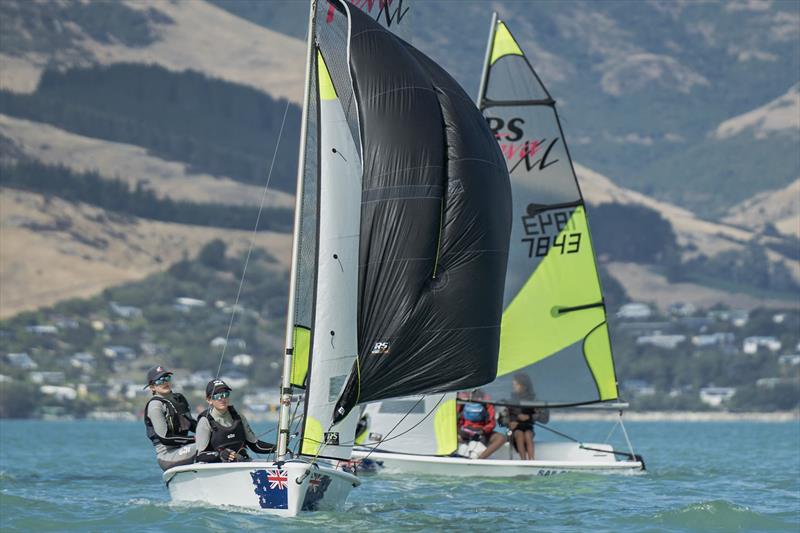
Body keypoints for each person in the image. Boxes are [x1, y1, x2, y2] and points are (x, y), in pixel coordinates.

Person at [194, 379, 275, 463]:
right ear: (209, 400)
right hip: (218, 468)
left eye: (225, 394)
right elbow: (200, 455)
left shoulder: (238, 416)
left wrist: (278, 448)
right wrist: (220, 454)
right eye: (218, 396)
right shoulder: (205, 421)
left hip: (242, 463)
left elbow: (255, 445)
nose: (223, 398)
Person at [143, 365, 197, 471]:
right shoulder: (155, 406)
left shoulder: (179, 399)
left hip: (183, 448)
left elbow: (192, 425)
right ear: (152, 387)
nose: (164, 382)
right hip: (168, 456)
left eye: (166, 378)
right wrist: (195, 439)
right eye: (159, 381)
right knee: (203, 445)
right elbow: (165, 438)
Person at [506, 373, 549, 460]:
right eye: (513, 385)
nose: (514, 387)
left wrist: (529, 417)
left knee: (528, 435)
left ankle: (531, 459)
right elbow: (502, 418)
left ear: (524, 386)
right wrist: (509, 422)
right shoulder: (510, 401)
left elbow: (544, 418)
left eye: (516, 385)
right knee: (520, 434)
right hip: (515, 431)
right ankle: (523, 460)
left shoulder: (534, 401)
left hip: (528, 428)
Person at [456, 389, 506, 459]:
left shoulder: (486, 402)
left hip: (481, 432)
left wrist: (482, 431)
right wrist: (458, 431)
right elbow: (455, 419)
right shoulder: (462, 400)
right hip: (464, 431)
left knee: (501, 438)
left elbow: (491, 423)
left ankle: (480, 459)